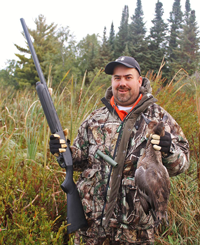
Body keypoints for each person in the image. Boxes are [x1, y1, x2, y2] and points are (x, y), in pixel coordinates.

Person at [49, 56, 190, 244]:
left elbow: (183, 163)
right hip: (92, 230)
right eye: (117, 78)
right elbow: (80, 160)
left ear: (139, 81)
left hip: (135, 233)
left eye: (128, 77)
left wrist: (168, 150)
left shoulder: (159, 117)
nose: (122, 83)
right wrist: (63, 151)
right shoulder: (94, 119)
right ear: (112, 81)